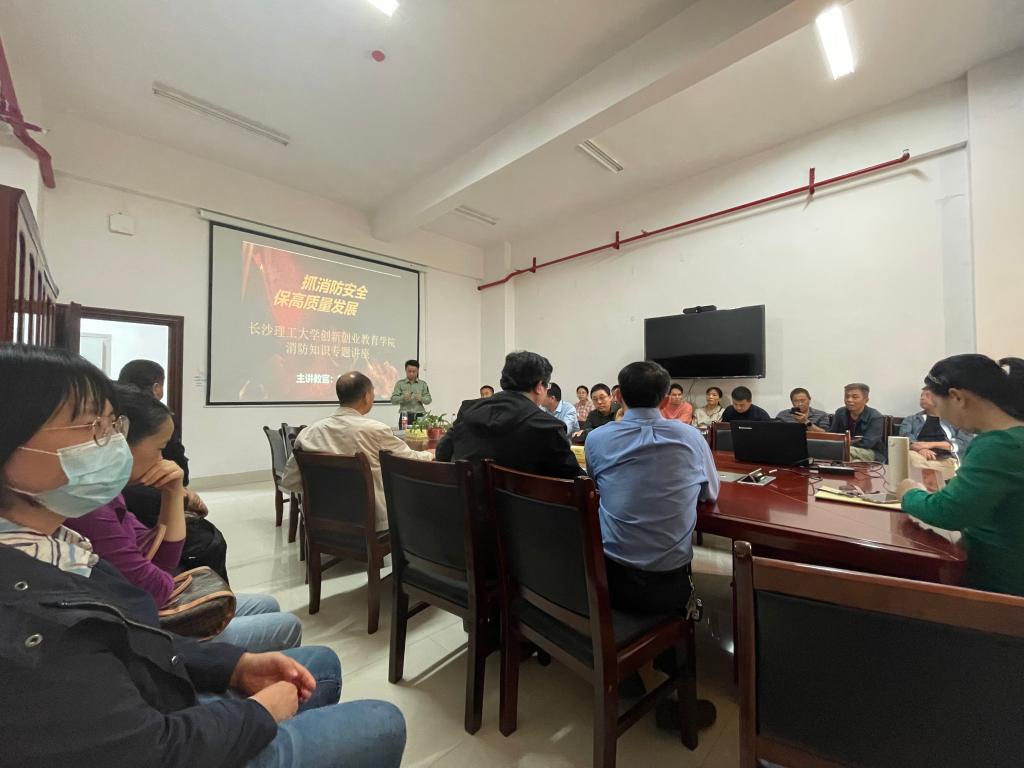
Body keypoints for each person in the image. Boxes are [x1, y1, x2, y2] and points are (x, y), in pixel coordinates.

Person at [0, 343, 406, 768]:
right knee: (382, 719)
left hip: (164, 683)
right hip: (176, 731)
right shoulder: (27, 622)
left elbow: (138, 634)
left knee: (315, 661)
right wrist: (261, 712)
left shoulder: (61, 540)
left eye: (113, 425)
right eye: (92, 426)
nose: (111, 443)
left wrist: (233, 666)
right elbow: (153, 748)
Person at [65, 385, 302, 652]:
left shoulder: (108, 496)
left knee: (267, 603)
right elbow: (158, 585)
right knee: (289, 625)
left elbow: (164, 560)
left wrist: (173, 492)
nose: (162, 459)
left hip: (145, 610)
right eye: (159, 448)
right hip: (146, 630)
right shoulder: (91, 509)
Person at [585, 361, 720, 730]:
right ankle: (672, 676)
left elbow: (598, 484)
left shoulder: (597, 439)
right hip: (666, 585)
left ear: (617, 395)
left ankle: (631, 673)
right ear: (665, 399)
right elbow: (710, 493)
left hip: (607, 580)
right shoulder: (691, 438)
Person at [898, 355, 1024, 597]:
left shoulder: (999, 445)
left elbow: (948, 513)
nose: (941, 415)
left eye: (938, 405)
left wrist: (909, 493)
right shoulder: (1012, 436)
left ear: (957, 397)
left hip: (1000, 587)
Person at [283, 372, 433, 531]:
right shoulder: (375, 430)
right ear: (367, 396)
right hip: (372, 523)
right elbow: (408, 460)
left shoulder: (309, 433)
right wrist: (431, 454)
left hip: (321, 523)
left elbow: (290, 481)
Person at [435, 350, 581, 479]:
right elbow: (574, 481)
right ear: (539, 387)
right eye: (546, 386)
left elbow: (442, 453)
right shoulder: (547, 427)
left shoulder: (468, 410)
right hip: (522, 501)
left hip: (467, 500)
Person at [117, 359, 208, 517]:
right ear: (156, 388)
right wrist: (179, 494)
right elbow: (177, 462)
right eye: (160, 448)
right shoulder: (157, 420)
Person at [899, 388, 974, 476]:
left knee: (918, 469)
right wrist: (921, 449)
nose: (922, 398)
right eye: (921, 396)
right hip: (918, 456)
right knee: (910, 457)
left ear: (940, 399)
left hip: (947, 458)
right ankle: (930, 476)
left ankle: (925, 476)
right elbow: (905, 437)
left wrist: (930, 445)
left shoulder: (956, 420)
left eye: (927, 395)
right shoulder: (911, 419)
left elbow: (965, 442)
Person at [830, 383, 886, 462]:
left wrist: (844, 443)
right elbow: (832, 435)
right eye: (847, 396)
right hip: (845, 448)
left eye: (855, 397)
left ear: (866, 400)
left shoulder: (875, 417)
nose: (849, 400)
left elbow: (867, 443)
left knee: (844, 452)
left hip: (872, 451)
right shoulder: (840, 412)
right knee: (850, 459)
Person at [390, 358, 432, 428]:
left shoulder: (423, 384)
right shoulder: (400, 384)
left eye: (414, 371)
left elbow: (429, 400)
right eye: (409, 371)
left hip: (419, 415)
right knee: (404, 433)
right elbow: (393, 400)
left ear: (418, 371)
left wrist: (421, 398)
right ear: (405, 370)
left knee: (420, 434)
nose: (411, 373)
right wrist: (403, 398)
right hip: (405, 415)